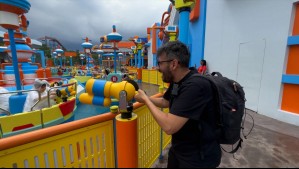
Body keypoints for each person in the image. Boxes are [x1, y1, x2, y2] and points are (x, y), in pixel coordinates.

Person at [134, 41, 221, 168]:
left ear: (174, 64)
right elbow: (165, 101)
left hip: (198, 159)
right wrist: (144, 98)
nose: (157, 68)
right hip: (180, 150)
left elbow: (169, 126)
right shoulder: (178, 81)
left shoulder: (195, 86)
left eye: (160, 63)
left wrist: (146, 101)